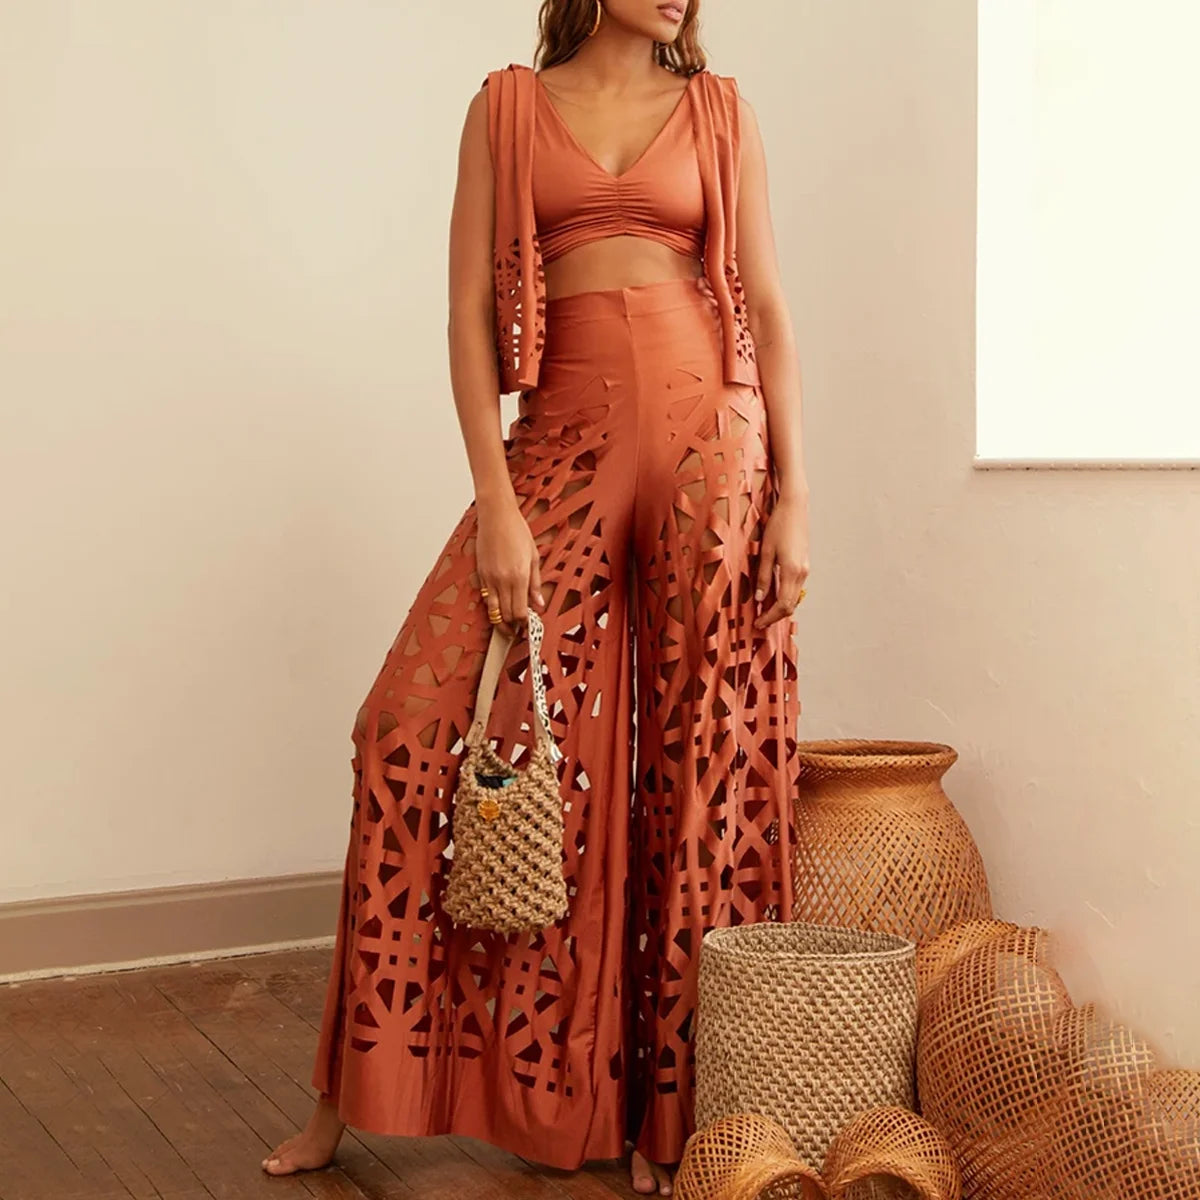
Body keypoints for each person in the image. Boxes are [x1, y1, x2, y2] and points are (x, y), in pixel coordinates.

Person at [261, 0, 810, 1194]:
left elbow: (765, 307)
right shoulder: (506, 108)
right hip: (560, 437)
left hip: (713, 445)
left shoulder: (721, 113)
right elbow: (468, 312)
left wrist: (798, 498)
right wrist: (496, 502)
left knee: (693, 770)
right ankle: (361, 1094)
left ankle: (673, 1123)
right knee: (405, 728)